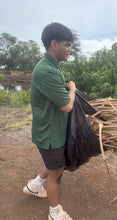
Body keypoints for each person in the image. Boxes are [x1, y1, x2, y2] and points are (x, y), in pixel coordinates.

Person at [23, 22, 76, 220]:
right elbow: (67, 106)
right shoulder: (47, 70)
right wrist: (72, 89)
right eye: (67, 45)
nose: (70, 50)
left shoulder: (51, 66)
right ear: (54, 44)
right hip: (49, 133)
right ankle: (55, 213)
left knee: (52, 163)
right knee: (57, 172)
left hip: (49, 130)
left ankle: (35, 186)